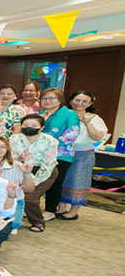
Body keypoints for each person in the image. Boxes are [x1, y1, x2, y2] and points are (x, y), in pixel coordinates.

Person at [58, 91, 108, 220]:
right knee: (61, 179)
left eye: (84, 101)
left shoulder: (94, 118)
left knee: (79, 181)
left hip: (83, 153)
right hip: (63, 152)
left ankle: (73, 212)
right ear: (70, 101)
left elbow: (97, 137)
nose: (80, 103)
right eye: (77, 100)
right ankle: (61, 207)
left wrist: (86, 122)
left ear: (90, 104)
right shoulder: (63, 114)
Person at [9, 114, 59, 233]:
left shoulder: (50, 141)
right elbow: (11, 157)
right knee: (15, 195)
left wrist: (34, 183)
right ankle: (12, 220)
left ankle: (38, 222)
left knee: (30, 198)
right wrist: (19, 158)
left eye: (33, 125)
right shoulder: (14, 138)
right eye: (25, 125)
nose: (29, 127)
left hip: (44, 171)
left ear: (41, 128)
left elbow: (48, 164)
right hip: (21, 169)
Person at [39, 87, 79, 221]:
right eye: (44, 98)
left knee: (55, 183)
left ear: (60, 100)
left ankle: (50, 210)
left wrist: (51, 144)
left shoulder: (69, 113)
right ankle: (33, 207)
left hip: (60, 154)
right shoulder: (41, 113)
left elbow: (72, 133)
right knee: (38, 181)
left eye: (52, 98)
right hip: (40, 153)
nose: (47, 101)